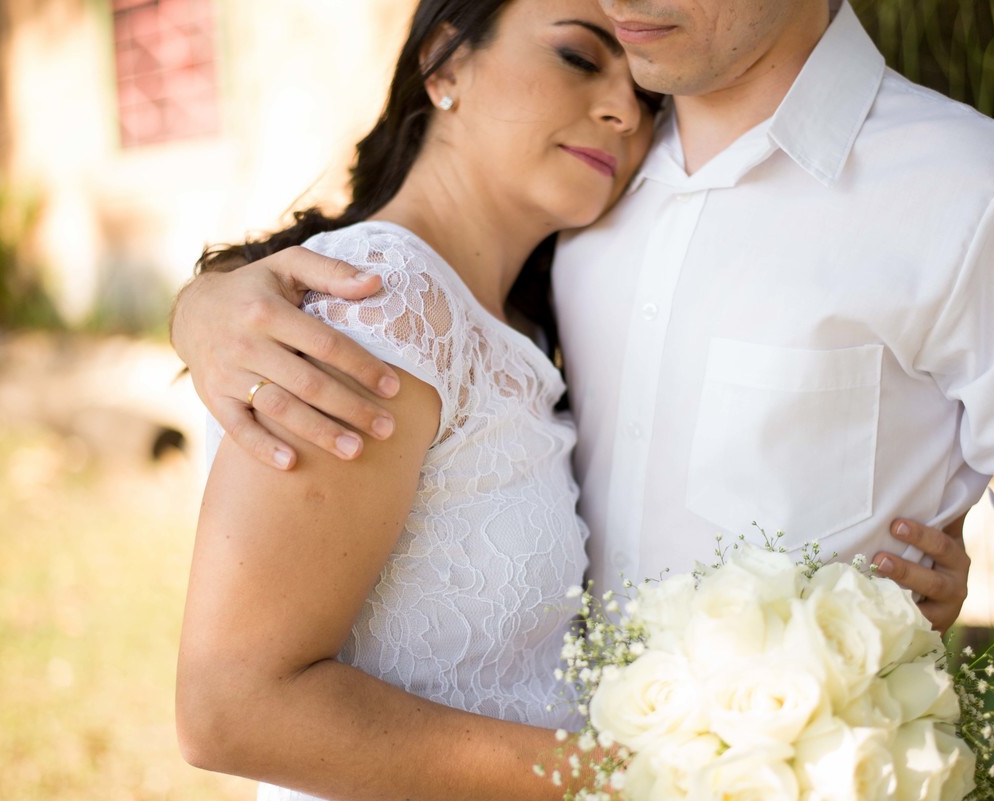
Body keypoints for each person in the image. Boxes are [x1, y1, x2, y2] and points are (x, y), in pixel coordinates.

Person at [173, 0, 994, 796]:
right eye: (577, 56)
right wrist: (204, 304)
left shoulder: (975, 197)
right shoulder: (574, 196)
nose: (619, 105)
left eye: (612, 78)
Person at [176, 1, 661, 799]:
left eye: (647, 93)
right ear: (446, 62)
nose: (625, 111)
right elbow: (231, 706)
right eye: (579, 56)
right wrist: (632, 780)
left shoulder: (523, 326)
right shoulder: (381, 303)